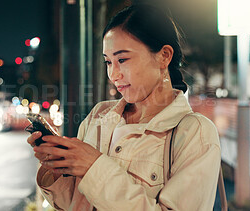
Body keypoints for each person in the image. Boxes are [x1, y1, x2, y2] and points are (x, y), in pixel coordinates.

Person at [27, 4, 221, 210]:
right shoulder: (98, 116)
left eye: (122, 59)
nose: (113, 75)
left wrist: (94, 167)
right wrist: (58, 167)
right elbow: (73, 203)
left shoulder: (195, 133)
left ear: (164, 55)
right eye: (108, 62)